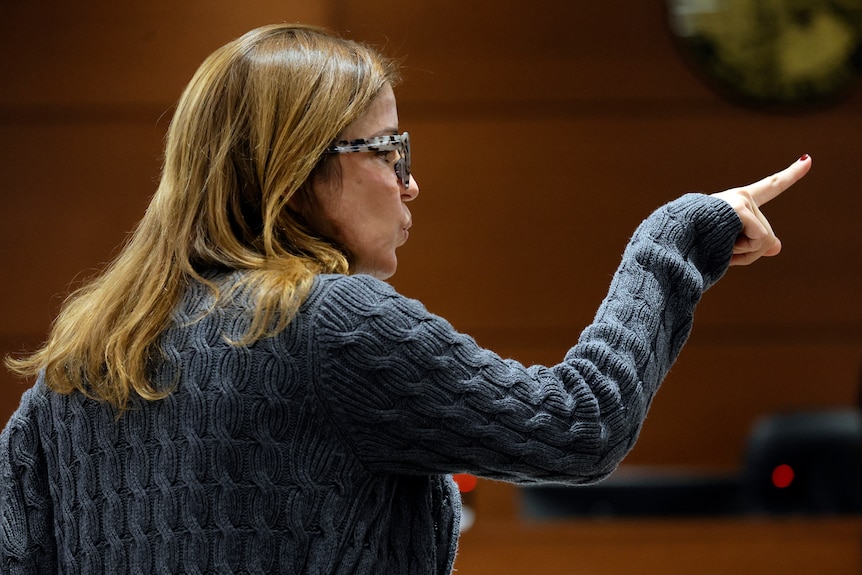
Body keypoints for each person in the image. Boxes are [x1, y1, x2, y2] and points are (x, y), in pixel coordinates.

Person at [0, 23, 811, 575]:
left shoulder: (73, 372)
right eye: (390, 149)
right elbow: (579, 422)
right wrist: (675, 236)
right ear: (297, 165)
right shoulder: (326, 326)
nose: (412, 182)